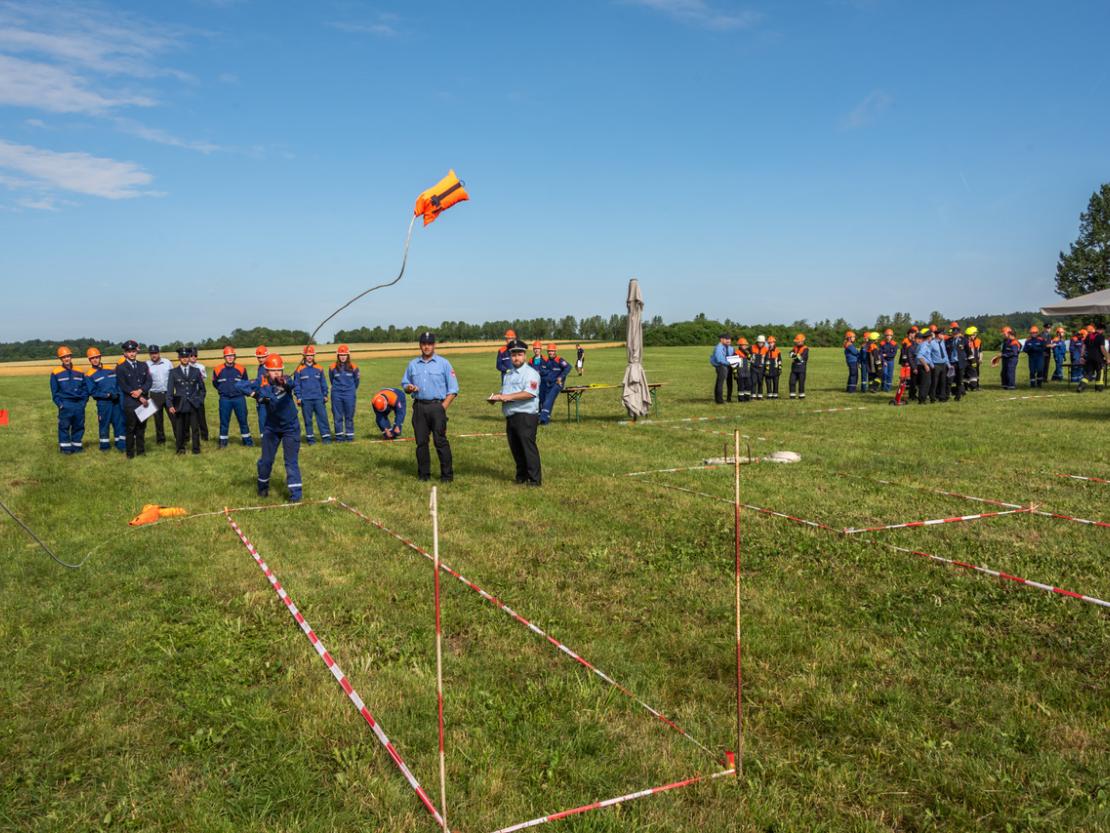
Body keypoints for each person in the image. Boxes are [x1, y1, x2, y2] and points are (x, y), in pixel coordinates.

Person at [239, 354, 303, 500]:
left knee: (291, 462)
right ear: (266, 371)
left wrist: (283, 383)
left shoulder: (286, 380)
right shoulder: (261, 382)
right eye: (273, 371)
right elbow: (239, 385)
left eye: (279, 370)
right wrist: (255, 395)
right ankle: (262, 489)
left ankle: (296, 496)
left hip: (290, 427)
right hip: (272, 428)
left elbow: (291, 384)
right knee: (266, 461)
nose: (277, 373)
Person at [401, 332, 458, 482]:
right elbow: (405, 384)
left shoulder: (444, 364)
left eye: (430, 344)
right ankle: (423, 475)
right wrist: (409, 388)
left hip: (437, 407)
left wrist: (442, 407)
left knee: (440, 441)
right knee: (421, 443)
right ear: (420, 345)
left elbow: (453, 390)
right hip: (419, 407)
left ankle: (447, 476)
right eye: (424, 344)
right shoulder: (413, 364)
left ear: (434, 345)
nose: (427, 347)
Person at [488, 338, 541, 486]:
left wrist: (507, 397)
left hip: (526, 415)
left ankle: (534, 480)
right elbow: (505, 393)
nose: (516, 358)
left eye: (519, 354)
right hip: (511, 416)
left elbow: (530, 393)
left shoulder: (531, 373)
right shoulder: (508, 374)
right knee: (516, 449)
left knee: (528, 449)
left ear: (524, 355)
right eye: (513, 355)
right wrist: (497, 397)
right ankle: (521, 477)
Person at [211, 346, 255, 447]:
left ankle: (247, 442)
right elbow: (215, 384)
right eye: (228, 356)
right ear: (224, 357)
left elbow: (245, 383)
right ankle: (223, 443)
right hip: (225, 399)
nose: (230, 357)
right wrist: (223, 390)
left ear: (235, 356)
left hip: (239, 398)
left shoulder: (241, 368)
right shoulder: (217, 369)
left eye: (232, 355)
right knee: (224, 422)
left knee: (243, 421)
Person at [84, 346, 125, 452]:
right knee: (104, 424)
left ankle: (121, 445)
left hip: (116, 401)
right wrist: (107, 395)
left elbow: (117, 383)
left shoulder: (110, 369)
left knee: (119, 423)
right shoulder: (89, 375)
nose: (95, 360)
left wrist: (118, 394)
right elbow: (93, 392)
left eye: (96, 357)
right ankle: (104, 446)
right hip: (104, 404)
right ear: (89, 360)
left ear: (100, 357)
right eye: (92, 358)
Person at [117, 339, 152, 458]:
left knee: (141, 428)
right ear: (125, 353)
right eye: (129, 351)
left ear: (136, 352)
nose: (131, 354)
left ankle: (141, 452)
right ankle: (130, 453)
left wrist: (141, 391)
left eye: (133, 351)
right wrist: (139, 396)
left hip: (144, 402)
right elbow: (124, 386)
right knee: (131, 428)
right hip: (130, 403)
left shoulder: (143, 365)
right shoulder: (121, 368)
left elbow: (149, 382)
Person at [49, 346, 88, 454]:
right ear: (60, 359)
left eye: (68, 356)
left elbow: (85, 388)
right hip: (65, 404)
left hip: (79, 404)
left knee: (79, 426)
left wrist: (83, 402)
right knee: (64, 426)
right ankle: (65, 449)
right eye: (64, 357)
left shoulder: (79, 371)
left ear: (71, 357)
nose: (66, 359)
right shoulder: (56, 373)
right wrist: (60, 404)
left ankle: (77, 447)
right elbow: (55, 392)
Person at [167, 347, 206, 454]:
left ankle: (196, 449)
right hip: (180, 404)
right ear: (179, 358)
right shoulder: (173, 372)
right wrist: (170, 404)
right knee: (180, 428)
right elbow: (170, 390)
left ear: (189, 357)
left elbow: (202, 389)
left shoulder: (196, 371)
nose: (184, 359)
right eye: (182, 357)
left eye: (186, 356)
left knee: (195, 428)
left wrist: (200, 400)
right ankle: (180, 448)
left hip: (193, 404)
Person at [293, 345, 331, 444]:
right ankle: (310, 440)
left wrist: (325, 394)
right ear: (304, 356)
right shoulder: (299, 369)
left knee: (323, 419)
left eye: (311, 355)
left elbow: (323, 383)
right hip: (306, 399)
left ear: (314, 356)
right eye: (308, 355)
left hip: (319, 398)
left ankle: (326, 439)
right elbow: (296, 384)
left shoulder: (319, 368)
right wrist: (298, 397)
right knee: (308, 421)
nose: (310, 357)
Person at [329, 345, 360, 441]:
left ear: (348, 355)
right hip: (336, 394)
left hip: (349, 394)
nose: (343, 357)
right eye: (341, 355)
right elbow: (331, 380)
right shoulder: (332, 367)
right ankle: (339, 437)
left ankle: (349, 436)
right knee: (337, 416)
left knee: (349, 416)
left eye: (345, 355)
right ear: (338, 356)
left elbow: (356, 381)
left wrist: (350, 390)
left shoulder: (354, 367)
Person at [146, 345, 173, 445]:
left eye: (155, 353)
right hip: (154, 395)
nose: (154, 355)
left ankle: (179, 437)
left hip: (168, 394)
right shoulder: (146, 365)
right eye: (152, 353)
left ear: (159, 353)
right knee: (158, 419)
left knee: (174, 417)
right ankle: (161, 440)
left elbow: (173, 377)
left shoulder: (167, 362)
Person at [538, 343, 570, 424]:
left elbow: (568, 367)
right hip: (548, 384)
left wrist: (561, 377)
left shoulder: (559, 360)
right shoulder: (546, 361)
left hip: (557, 384)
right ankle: (545, 420)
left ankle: (542, 418)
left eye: (552, 351)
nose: (550, 353)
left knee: (548, 400)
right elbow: (543, 371)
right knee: (546, 401)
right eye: (549, 351)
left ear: (555, 351)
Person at [186, 347, 210, 441]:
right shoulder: (184, 367)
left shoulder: (201, 367)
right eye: (191, 355)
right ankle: (187, 437)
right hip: (188, 395)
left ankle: (204, 436)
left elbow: (203, 380)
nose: (193, 357)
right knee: (187, 418)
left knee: (201, 417)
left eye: (195, 355)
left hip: (197, 394)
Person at [1078, 322, 1108, 392]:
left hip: (1089, 357)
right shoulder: (1101, 337)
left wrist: (1082, 357)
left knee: (1089, 373)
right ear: (1102, 329)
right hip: (1098, 358)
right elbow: (1102, 348)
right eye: (1103, 330)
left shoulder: (1089, 335)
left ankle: (1081, 387)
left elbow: (1083, 347)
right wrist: (1107, 358)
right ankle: (1099, 388)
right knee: (1100, 372)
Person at [946, 323, 968, 401]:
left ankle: (958, 396)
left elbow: (968, 351)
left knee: (959, 380)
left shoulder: (964, 340)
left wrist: (968, 360)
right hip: (952, 363)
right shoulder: (948, 341)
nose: (954, 335)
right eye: (953, 333)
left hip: (960, 363)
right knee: (949, 380)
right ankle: (947, 396)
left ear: (959, 333)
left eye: (956, 333)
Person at [709, 333, 733, 404]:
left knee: (720, 383)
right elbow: (720, 359)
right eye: (726, 339)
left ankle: (721, 399)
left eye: (729, 339)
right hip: (721, 366)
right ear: (721, 339)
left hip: (727, 366)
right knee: (720, 383)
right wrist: (730, 363)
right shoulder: (719, 348)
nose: (728, 340)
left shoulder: (729, 347)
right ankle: (719, 400)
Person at [913, 330, 934, 404]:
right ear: (928, 337)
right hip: (923, 366)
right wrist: (925, 365)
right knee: (925, 383)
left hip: (922, 365)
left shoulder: (922, 344)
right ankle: (922, 399)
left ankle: (922, 398)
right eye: (931, 337)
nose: (932, 338)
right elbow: (919, 356)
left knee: (924, 383)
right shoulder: (924, 345)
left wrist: (931, 364)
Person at [899, 326, 919, 400]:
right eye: (913, 333)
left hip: (911, 362)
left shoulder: (913, 341)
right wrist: (906, 362)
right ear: (909, 334)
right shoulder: (905, 341)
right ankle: (906, 394)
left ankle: (912, 394)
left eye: (914, 333)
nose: (914, 334)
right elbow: (904, 353)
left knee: (913, 380)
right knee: (907, 379)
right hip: (907, 362)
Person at [254, 345, 271, 428]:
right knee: (262, 420)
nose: (260, 359)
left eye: (263, 357)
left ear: (267, 356)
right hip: (261, 399)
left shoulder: (271, 367)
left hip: (269, 399)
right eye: (259, 357)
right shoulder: (260, 367)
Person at [788, 333, 808, 399]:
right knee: (791, 382)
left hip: (801, 369)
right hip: (794, 369)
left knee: (801, 383)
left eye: (798, 341)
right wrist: (796, 356)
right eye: (796, 341)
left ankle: (801, 395)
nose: (796, 343)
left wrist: (795, 356)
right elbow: (790, 353)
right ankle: (792, 395)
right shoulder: (795, 348)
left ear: (802, 341)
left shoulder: (805, 349)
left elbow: (802, 358)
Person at [732, 337, 752, 402]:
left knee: (748, 385)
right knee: (741, 386)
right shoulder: (736, 353)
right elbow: (733, 364)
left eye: (745, 345)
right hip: (740, 372)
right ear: (740, 345)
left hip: (747, 372)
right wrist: (735, 373)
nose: (745, 346)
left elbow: (751, 360)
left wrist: (748, 354)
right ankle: (741, 399)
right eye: (743, 345)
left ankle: (747, 398)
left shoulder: (748, 352)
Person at [964, 326, 982, 391]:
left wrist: (980, 359)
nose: (975, 335)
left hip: (975, 360)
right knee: (967, 374)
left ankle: (976, 386)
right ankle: (967, 386)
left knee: (976, 373)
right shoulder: (966, 342)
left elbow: (980, 351)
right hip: (968, 360)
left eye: (975, 334)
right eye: (974, 334)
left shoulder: (978, 341)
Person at [750, 335, 768, 400]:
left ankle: (760, 396)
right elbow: (746, 353)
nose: (760, 344)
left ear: (764, 342)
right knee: (753, 382)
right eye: (759, 342)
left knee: (760, 382)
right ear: (757, 342)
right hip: (753, 368)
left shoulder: (766, 349)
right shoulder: (752, 347)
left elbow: (767, 359)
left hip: (761, 368)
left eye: (762, 342)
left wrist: (766, 368)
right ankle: (753, 395)